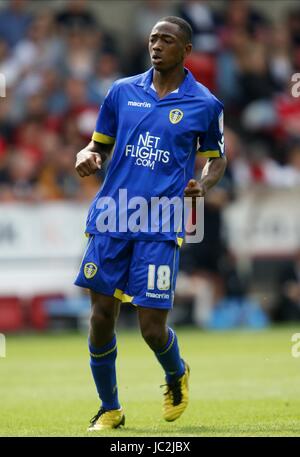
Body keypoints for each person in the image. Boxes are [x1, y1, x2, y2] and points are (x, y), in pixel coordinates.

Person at [74, 16, 227, 431]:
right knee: (101, 314)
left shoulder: (205, 104)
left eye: (167, 39)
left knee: (151, 327)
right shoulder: (122, 92)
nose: (156, 45)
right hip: (113, 216)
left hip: (161, 223)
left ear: (186, 50)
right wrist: (84, 156)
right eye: (153, 38)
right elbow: (97, 144)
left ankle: (176, 373)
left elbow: (217, 157)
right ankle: (110, 408)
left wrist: (205, 185)